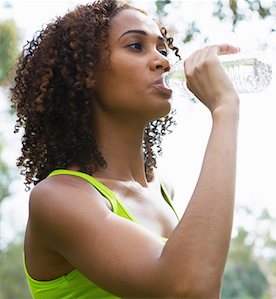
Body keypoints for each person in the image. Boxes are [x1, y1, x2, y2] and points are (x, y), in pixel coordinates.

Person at [11, 0, 240, 298]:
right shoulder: (58, 198)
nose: (163, 61)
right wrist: (224, 109)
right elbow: (189, 287)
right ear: (86, 73)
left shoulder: (162, 189)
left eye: (162, 49)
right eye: (135, 46)